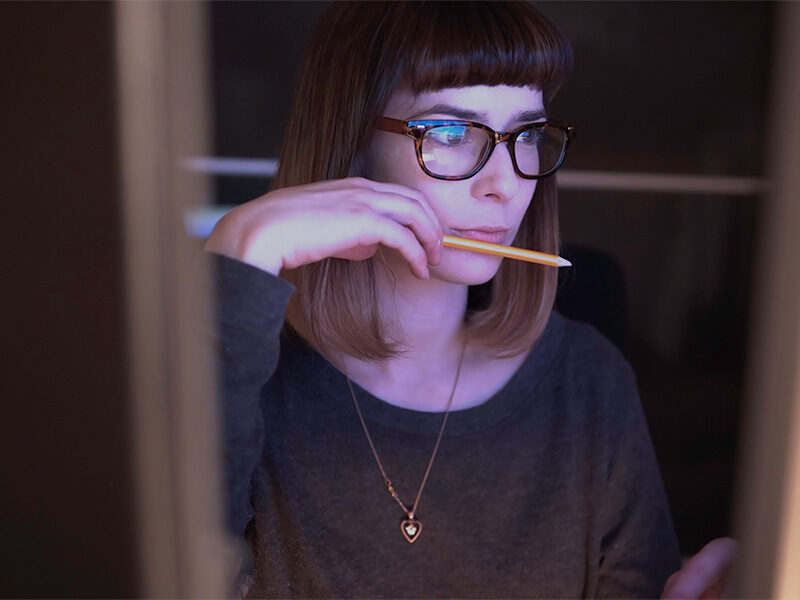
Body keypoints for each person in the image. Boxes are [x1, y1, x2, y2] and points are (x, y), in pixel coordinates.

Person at [204, 1, 736, 597]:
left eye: (527, 135)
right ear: (351, 142)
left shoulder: (590, 381)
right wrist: (237, 256)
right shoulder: (238, 379)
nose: (504, 185)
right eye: (450, 131)